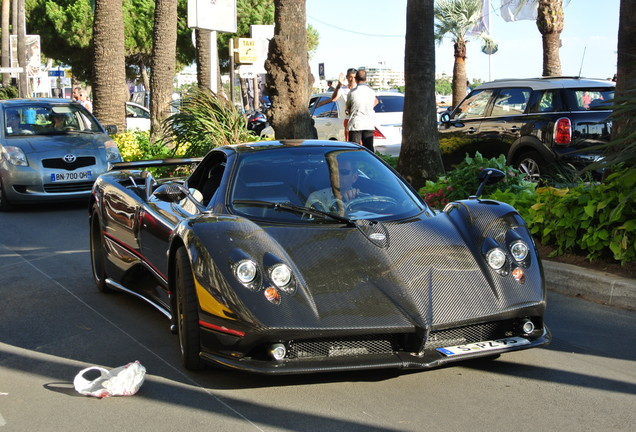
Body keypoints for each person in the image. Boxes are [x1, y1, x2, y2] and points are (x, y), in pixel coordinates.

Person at [316, 68, 357, 141]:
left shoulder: (359, 89)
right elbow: (334, 98)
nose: (352, 79)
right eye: (350, 77)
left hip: (359, 119)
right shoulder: (343, 89)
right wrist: (339, 85)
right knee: (350, 144)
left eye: (354, 77)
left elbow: (375, 101)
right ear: (347, 77)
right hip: (348, 119)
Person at [345, 70, 378, 152]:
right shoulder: (371, 92)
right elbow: (375, 101)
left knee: (354, 149)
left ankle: (354, 164)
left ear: (355, 79)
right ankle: (370, 164)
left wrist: (348, 110)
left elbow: (348, 106)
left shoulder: (352, 92)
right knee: (369, 149)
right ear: (365, 79)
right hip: (369, 124)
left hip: (356, 124)